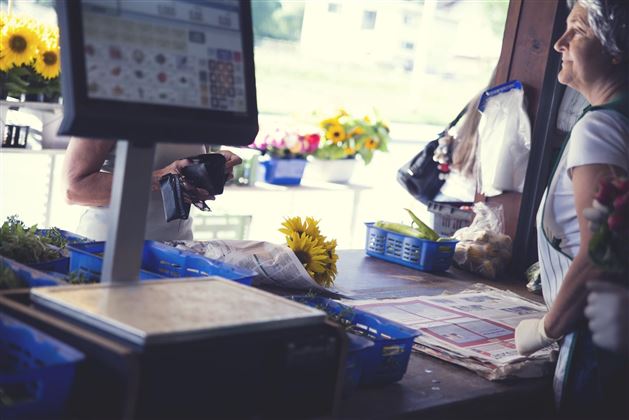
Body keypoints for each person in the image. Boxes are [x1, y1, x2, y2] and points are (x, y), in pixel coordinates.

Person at [513, 0, 629, 415]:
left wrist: (545, 330)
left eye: (578, 31)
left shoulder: (600, 128)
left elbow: (606, 250)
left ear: (618, 49)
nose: (560, 42)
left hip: (601, 348)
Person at [63, 138, 242, 241]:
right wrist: (160, 178)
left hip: (174, 253)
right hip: (106, 251)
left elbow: (179, 171)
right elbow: (75, 189)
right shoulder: (108, 99)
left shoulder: (196, 105)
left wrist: (209, 169)